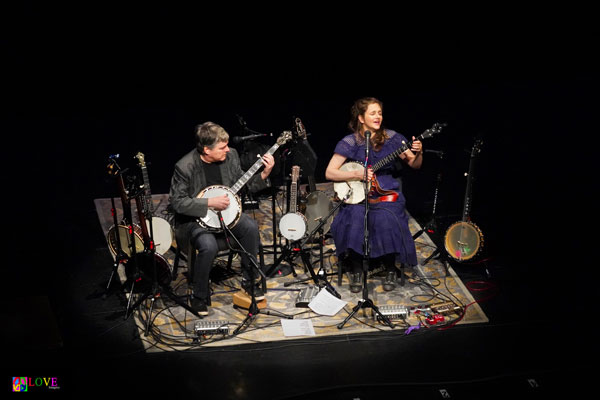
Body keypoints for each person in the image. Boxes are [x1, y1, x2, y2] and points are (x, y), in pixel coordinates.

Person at [168, 121, 275, 315]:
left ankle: (249, 282)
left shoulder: (231, 156)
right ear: (206, 150)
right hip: (193, 220)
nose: (228, 149)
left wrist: (265, 173)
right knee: (209, 245)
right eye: (222, 147)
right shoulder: (185, 167)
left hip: (225, 216)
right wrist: (209, 203)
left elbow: (246, 184)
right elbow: (178, 203)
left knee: (250, 227)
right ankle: (199, 296)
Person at [325, 97, 423, 293]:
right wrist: (356, 174)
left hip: (385, 188)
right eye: (372, 113)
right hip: (359, 190)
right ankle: (355, 268)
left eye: (379, 112)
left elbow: (415, 164)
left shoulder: (393, 138)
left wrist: (419, 153)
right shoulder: (350, 142)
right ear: (361, 118)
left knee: (387, 216)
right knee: (354, 216)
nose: (378, 116)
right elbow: (330, 172)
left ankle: (388, 267)